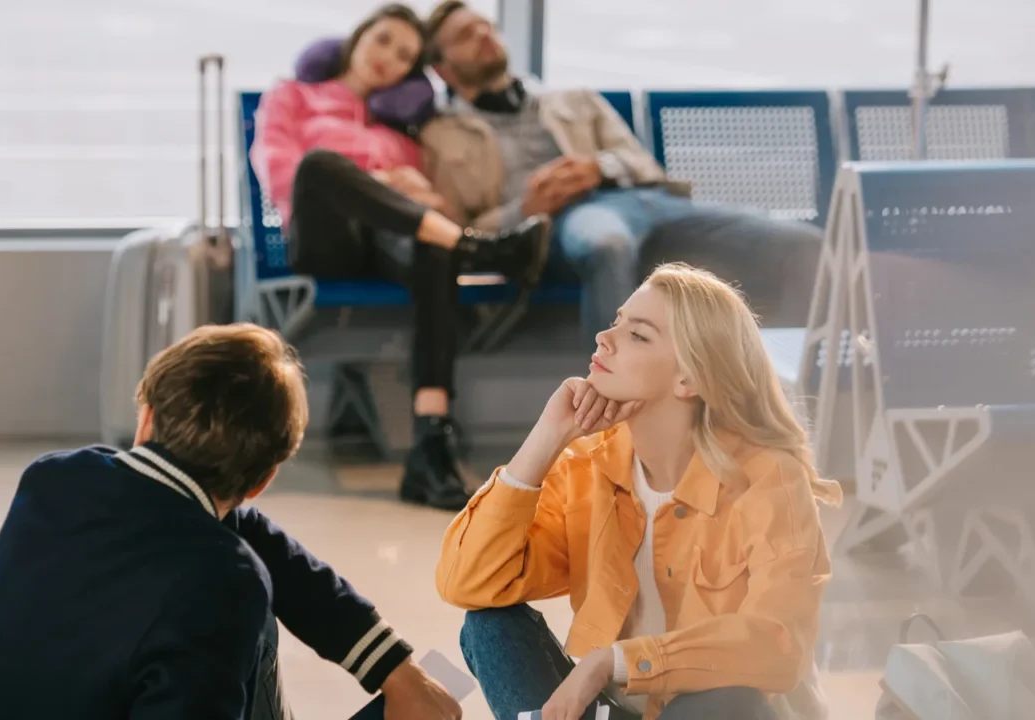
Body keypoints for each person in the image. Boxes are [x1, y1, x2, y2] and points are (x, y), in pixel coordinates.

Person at [0, 324, 462, 720]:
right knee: (254, 609)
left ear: (146, 417)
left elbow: (274, 556)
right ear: (262, 480)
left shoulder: (55, 479)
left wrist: (398, 670)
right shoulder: (225, 580)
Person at [435, 264, 843, 720]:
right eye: (616, 322)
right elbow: (468, 582)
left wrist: (615, 661)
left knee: (731, 699)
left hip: (718, 712)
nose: (604, 339)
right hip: (617, 710)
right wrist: (545, 438)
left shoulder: (769, 478)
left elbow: (777, 643)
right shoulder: (590, 465)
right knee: (490, 626)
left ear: (688, 379)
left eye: (638, 335)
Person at [250, 2, 550, 512]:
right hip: (325, 239)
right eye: (383, 40)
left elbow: (424, 209)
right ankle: (476, 246)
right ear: (360, 37)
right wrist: (385, 181)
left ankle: (430, 444)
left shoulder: (401, 130)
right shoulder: (294, 97)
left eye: (405, 55)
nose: (388, 58)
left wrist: (417, 192)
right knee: (323, 164)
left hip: (385, 245)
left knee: (434, 243)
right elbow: (285, 175)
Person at [419, 1, 822, 342]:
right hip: (568, 219)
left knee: (804, 245)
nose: (485, 36)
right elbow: (457, 229)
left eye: (485, 26)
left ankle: (785, 392)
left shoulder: (570, 98)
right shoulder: (441, 135)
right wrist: (525, 208)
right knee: (606, 243)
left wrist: (597, 168)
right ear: (443, 68)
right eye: (465, 36)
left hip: (647, 201)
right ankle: (617, 419)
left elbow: (643, 163)